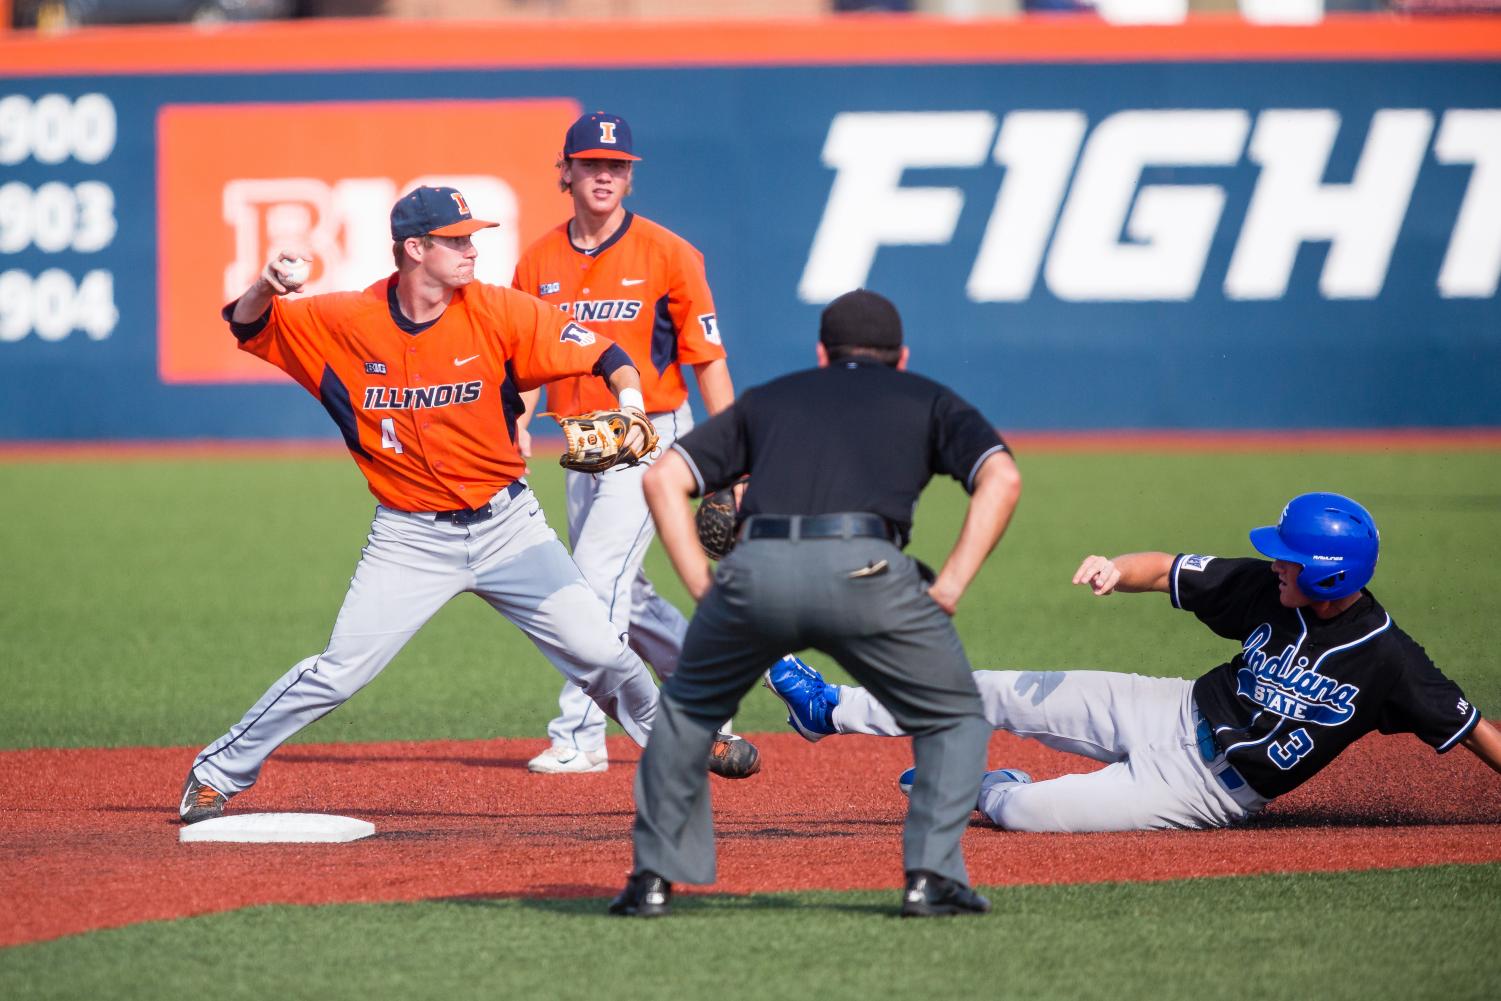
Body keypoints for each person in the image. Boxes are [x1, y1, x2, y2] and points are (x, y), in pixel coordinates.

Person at [180, 185, 671, 823]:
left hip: (509, 528)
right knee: (339, 672)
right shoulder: (345, 322)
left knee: (605, 654)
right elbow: (248, 325)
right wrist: (268, 285)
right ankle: (217, 772)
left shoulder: (497, 310)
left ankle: (678, 741)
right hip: (409, 539)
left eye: (472, 237)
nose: (472, 250)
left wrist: (631, 407)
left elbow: (609, 354)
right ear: (416, 248)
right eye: (457, 239)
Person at [610, 288, 1024, 918]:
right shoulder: (928, 397)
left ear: (822, 353)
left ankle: (653, 881)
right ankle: (931, 880)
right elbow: (1003, 477)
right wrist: (951, 586)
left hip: (757, 570)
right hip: (866, 566)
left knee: (688, 716)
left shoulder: (772, 397)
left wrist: (701, 582)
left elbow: (663, 477)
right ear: (902, 356)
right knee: (954, 716)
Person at [767, 492, 1501, 833]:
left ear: (1332, 577)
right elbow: (1169, 568)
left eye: (1289, 559)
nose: (1275, 564)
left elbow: (1470, 727)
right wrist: (1116, 570)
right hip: (1166, 706)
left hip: (1203, 792)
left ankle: (978, 787)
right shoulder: (1270, 592)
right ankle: (828, 707)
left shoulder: (1390, 661)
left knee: (1023, 813)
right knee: (991, 690)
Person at [512, 111, 754, 777]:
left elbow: (707, 359)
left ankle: (580, 733)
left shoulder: (669, 254)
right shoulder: (537, 260)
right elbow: (525, 363)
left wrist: (732, 456)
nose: (604, 175)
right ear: (565, 171)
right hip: (579, 444)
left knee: (590, 581)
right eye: (591, 163)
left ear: (630, 178)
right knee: (628, 590)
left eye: (616, 166)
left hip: (650, 438)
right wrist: (513, 433)